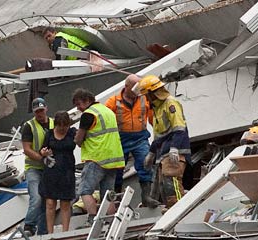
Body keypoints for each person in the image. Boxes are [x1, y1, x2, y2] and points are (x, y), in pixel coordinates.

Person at [135, 75, 191, 208]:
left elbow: (179, 127)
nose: (146, 98)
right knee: (164, 186)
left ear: (153, 93)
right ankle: (171, 209)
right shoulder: (157, 108)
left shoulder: (170, 103)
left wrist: (174, 148)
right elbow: (160, 135)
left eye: (146, 95)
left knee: (171, 181)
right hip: (164, 152)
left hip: (175, 151)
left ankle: (179, 209)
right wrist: (152, 152)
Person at [105, 74, 160, 208]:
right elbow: (105, 121)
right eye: (135, 87)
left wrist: (160, 135)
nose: (137, 90)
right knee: (117, 169)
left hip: (140, 138)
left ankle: (146, 196)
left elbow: (154, 119)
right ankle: (116, 197)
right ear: (127, 86)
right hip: (120, 139)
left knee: (146, 163)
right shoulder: (113, 102)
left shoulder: (144, 99)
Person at [72, 88, 125, 227]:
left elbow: (79, 140)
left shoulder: (88, 114)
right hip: (113, 159)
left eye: (79, 104)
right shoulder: (107, 111)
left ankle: (93, 220)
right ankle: (110, 222)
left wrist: (76, 138)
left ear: (87, 100)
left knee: (85, 190)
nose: (78, 108)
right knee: (108, 194)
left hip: (97, 157)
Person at [39, 111, 76, 233]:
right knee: (50, 203)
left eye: (65, 126)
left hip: (67, 171)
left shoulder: (72, 133)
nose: (62, 129)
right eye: (59, 126)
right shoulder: (49, 134)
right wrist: (43, 153)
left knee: (65, 203)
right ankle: (50, 233)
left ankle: (65, 233)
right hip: (51, 172)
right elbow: (42, 150)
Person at [21, 98, 54, 236]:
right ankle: (29, 226)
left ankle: (43, 231)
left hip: (50, 168)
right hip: (34, 168)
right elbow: (27, 149)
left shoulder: (54, 122)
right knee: (37, 197)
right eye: (37, 112)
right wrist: (42, 159)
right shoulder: (29, 126)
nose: (39, 114)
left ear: (46, 108)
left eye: (41, 110)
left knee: (48, 200)